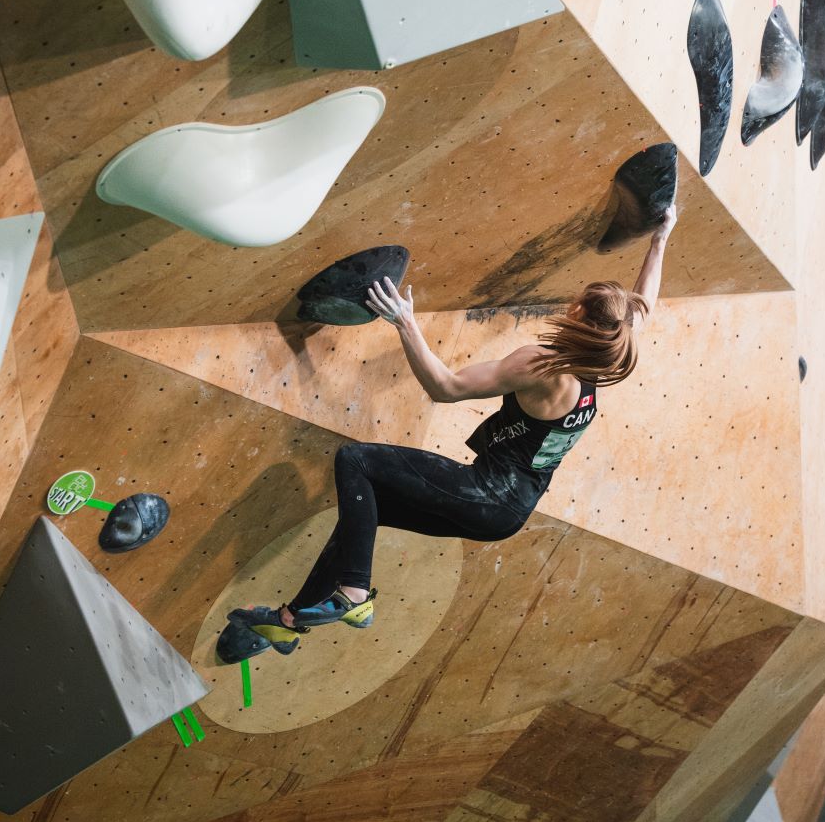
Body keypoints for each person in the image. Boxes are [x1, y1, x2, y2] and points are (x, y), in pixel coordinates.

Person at [218, 206, 679, 661]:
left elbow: (447, 388)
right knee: (365, 513)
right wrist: (661, 237)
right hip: (507, 512)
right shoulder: (607, 354)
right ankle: (292, 621)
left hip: (488, 493)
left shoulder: (541, 367)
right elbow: (645, 306)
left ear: (577, 312)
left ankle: (355, 595)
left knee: (355, 460)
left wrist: (405, 322)